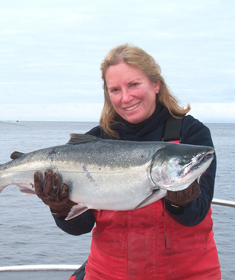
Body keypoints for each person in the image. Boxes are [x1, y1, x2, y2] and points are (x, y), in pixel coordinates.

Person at [34, 44, 221, 280]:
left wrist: (180, 203)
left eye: (134, 84)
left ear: (155, 84)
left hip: (188, 274)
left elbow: (195, 215)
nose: (126, 97)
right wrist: (60, 209)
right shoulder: (94, 143)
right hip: (109, 274)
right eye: (115, 89)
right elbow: (80, 227)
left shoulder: (192, 136)